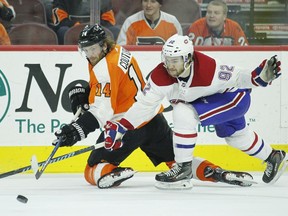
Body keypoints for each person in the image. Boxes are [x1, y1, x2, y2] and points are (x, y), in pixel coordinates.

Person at [52, 24, 254, 190]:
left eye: (93, 49)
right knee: (178, 163)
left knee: (91, 170)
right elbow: (117, 85)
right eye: (85, 50)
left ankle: (113, 172)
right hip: (153, 120)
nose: (89, 54)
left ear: (104, 46)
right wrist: (87, 94)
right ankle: (216, 172)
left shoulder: (104, 68)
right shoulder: (119, 51)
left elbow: (101, 113)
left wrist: (75, 131)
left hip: (126, 126)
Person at [104, 34, 287, 189]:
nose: (170, 65)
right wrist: (121, 127)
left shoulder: (208, 68)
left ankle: (183, 169)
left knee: (184, 111)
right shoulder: (160, 77)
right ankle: (273, 156)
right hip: (213, 103)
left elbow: (238, 77)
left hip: (233, 99)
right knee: (236, 137)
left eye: (175, 61)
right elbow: (144, 106)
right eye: (167, 60)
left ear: (188, 58)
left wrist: (258, 78)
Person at [51, 0, 119, 44]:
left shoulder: (104, 1)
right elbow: (60, 21)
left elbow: (109, 21)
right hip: (73, 32)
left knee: (115, 31)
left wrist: (94, 27)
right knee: (63, 31)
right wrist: (78, 27)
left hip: (97, 31)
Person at [117, 0, 182, 45]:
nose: (148, 5)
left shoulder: (172, 22)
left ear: (160, 4)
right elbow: (122, 50)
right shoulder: (130, 22)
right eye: (145, 1)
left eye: (153, 1)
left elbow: (180, 48)